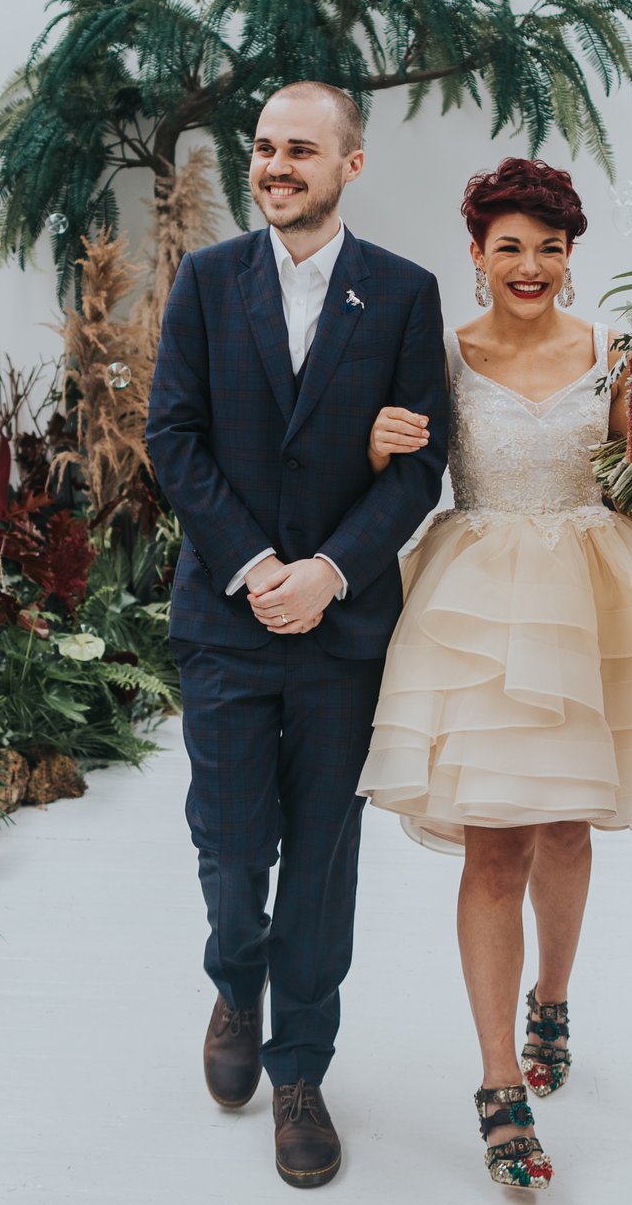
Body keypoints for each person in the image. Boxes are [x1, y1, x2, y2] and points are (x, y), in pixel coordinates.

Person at [356, 156, 632, 1190]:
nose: (528, 264)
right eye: (508, 247)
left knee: (570, 825)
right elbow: (402, 471)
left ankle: (553, 995)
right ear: (478, 255)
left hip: (588, 598)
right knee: (493, 846)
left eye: (548, 246)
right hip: (477, 606)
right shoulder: (440, 355)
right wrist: (375, 441)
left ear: (571, 255)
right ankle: (500, 1087)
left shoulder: (612, 350)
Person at [143, 81, 451, 1190]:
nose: (275, 165)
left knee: (321, 861)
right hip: (226, 618)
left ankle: (300, 1071)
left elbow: (420, 460)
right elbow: (172, 433)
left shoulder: (405, 294)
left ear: (349, 165)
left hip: (342, 629)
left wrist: (327, 571)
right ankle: (236, 979)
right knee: (231, 846)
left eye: (300, 149)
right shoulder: (207, 280)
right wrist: (259, 566)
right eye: (266, 148)